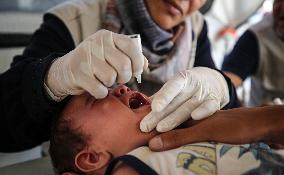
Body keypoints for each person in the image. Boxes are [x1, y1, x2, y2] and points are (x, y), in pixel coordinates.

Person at [1, 0, 239, 152]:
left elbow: (227, 116)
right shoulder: (72, 20)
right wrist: (51, 80)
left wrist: (222, 86)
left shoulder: (197, 29)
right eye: (96, 98)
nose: (125, 88)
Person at [50, 85, 284, 175]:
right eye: (96, 99)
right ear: (92, 157)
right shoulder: (129, 171)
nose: (121, 87)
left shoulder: (196, 129)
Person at [222, 0, 284, 106]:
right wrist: (216, 86)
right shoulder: (255, 37)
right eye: (278, 0)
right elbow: (228, 80)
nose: (282, 8)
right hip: (262, 118)